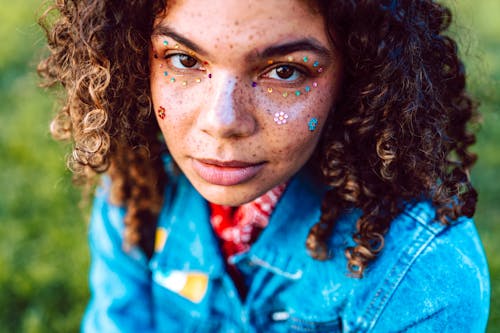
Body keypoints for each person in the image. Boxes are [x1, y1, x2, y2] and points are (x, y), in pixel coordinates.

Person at [38, 0, 490, 331]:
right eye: (184, 60)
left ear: (359, 76)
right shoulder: (139, 192)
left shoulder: (418, 272)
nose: (222, 122)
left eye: (285, 71)